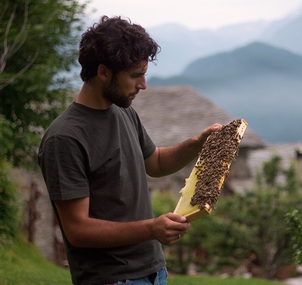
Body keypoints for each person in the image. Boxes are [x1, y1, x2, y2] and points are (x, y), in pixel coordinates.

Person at [38, 16, 221, 285]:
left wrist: (197, 143)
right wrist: (152, 228)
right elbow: (77, 230)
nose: (143, 84)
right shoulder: (64, 138)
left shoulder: (123, 112)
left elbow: (156, 162)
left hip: (154, 272)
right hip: (111, 279)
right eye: (135, 75)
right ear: (103, 73)